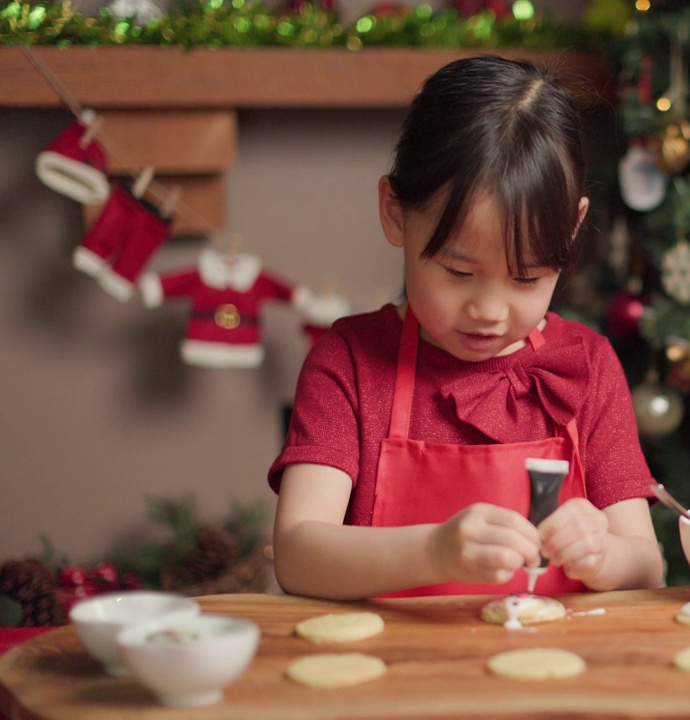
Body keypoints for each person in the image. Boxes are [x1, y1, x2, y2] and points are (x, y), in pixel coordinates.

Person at [268, 56, 664, 600]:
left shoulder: (588, 366)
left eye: (526, 278)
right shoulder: (350, 363)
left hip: (551, 674)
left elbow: (648, 568)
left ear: (571, 231)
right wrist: (434, 552)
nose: (490, 310)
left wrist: (605, 554)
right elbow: (298, 555)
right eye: (459, 272)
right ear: (395, 213)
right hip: (395, 676)